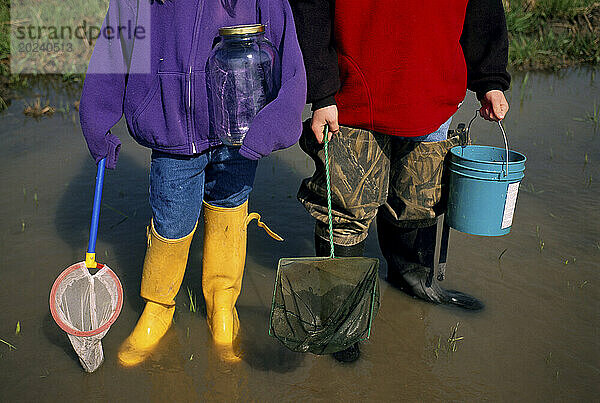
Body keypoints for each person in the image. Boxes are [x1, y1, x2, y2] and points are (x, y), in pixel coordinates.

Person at [79, 0, 306, 365]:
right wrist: (97, 117)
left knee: (231, 209)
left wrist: (280, 118)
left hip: (239, 132)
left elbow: (286, 51)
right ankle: (158, 306)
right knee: (171, 221)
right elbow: (114, 44)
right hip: (171, 128)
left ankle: (222, 303)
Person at [289, 0, 511, 362]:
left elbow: (482, 9)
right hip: (351, 98)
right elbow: (311, 12)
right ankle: (340, 317)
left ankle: (414, 280)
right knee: (346, 205)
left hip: (433, 89)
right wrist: (321, 92)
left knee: (421, 194)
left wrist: (489, 79)